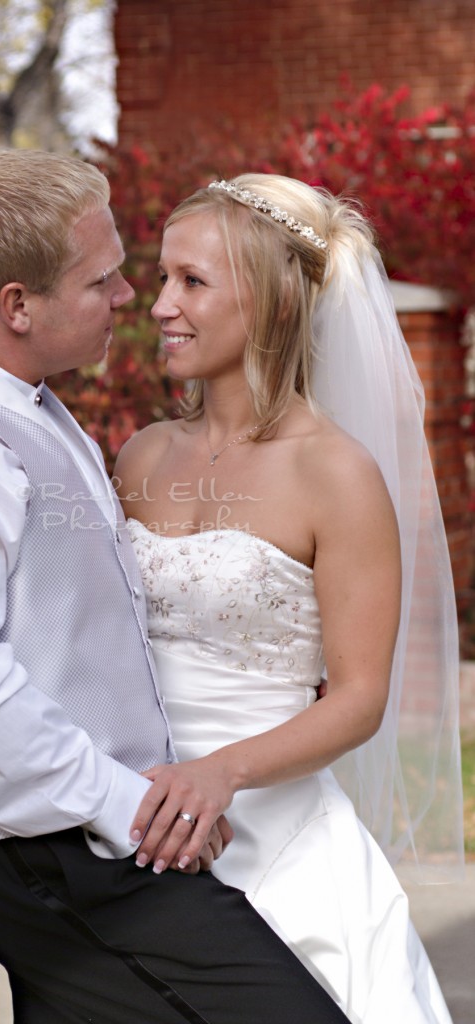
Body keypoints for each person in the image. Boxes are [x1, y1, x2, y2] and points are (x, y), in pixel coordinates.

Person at [0, 151, 352, 1024]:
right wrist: (134, 806)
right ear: (17, 305)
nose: (130, 297)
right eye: (101, 279)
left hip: (97, 842)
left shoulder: (27, 403)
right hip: (57, 859)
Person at [115, 173, 464, 1024]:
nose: (161, 305)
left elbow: (358, 699)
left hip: (273, 834)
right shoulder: (141, 455)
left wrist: (221, 774)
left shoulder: (335, 473)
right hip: (131, 822)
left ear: (270, 302)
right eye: (162, 278)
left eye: (192, 283)